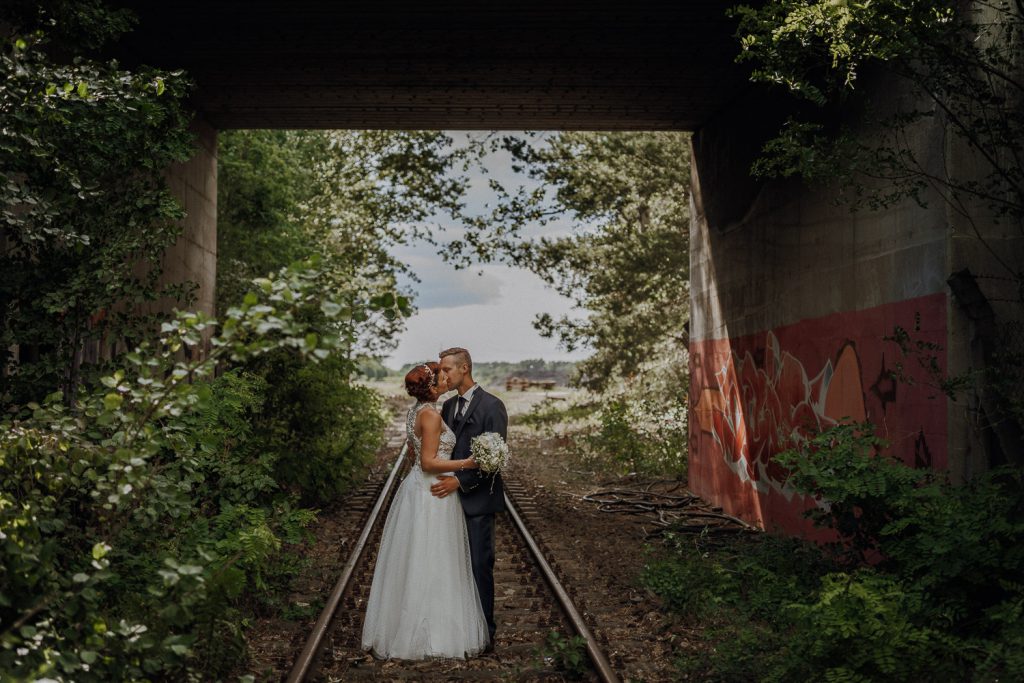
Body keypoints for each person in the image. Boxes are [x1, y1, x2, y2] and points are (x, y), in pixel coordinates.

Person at [361, 362, 489, 660]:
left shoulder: (417, 410)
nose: (446, 379)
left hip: (420, 488)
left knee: (422, 556)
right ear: (432, 386)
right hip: (432, 491)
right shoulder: (431, 415)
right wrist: (467, 463)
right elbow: (429, 462)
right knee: (434, 556)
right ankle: (431, 634)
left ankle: (419, 626)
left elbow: (415, 455)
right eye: (441, 376)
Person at [432, 347, 508, 649]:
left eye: (447, 369)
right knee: (452, 567)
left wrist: (459, 482)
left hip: (478, 502)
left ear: (464, 368)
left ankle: (486, 634)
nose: (443, 375)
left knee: (479, 565)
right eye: (440, 370)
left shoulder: (492, 406)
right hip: (448, 507)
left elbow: (495, 459)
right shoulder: (448, 407)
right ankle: (459, 629)